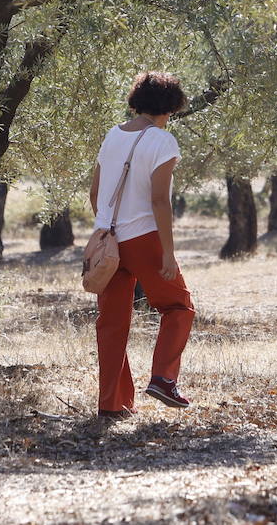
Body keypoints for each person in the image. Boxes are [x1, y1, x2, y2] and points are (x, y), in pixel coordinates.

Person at [90, 71, 195, 419]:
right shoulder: (162, 141)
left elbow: (95, 193)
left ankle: (112, 405)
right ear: (168, 107)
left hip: (108, 241)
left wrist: (107, 231)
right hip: (144, 238)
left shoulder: (112, 135)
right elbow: (160, 201)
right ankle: (164, 378)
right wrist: (168, 252)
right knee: (178, 307)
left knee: (111, 323)